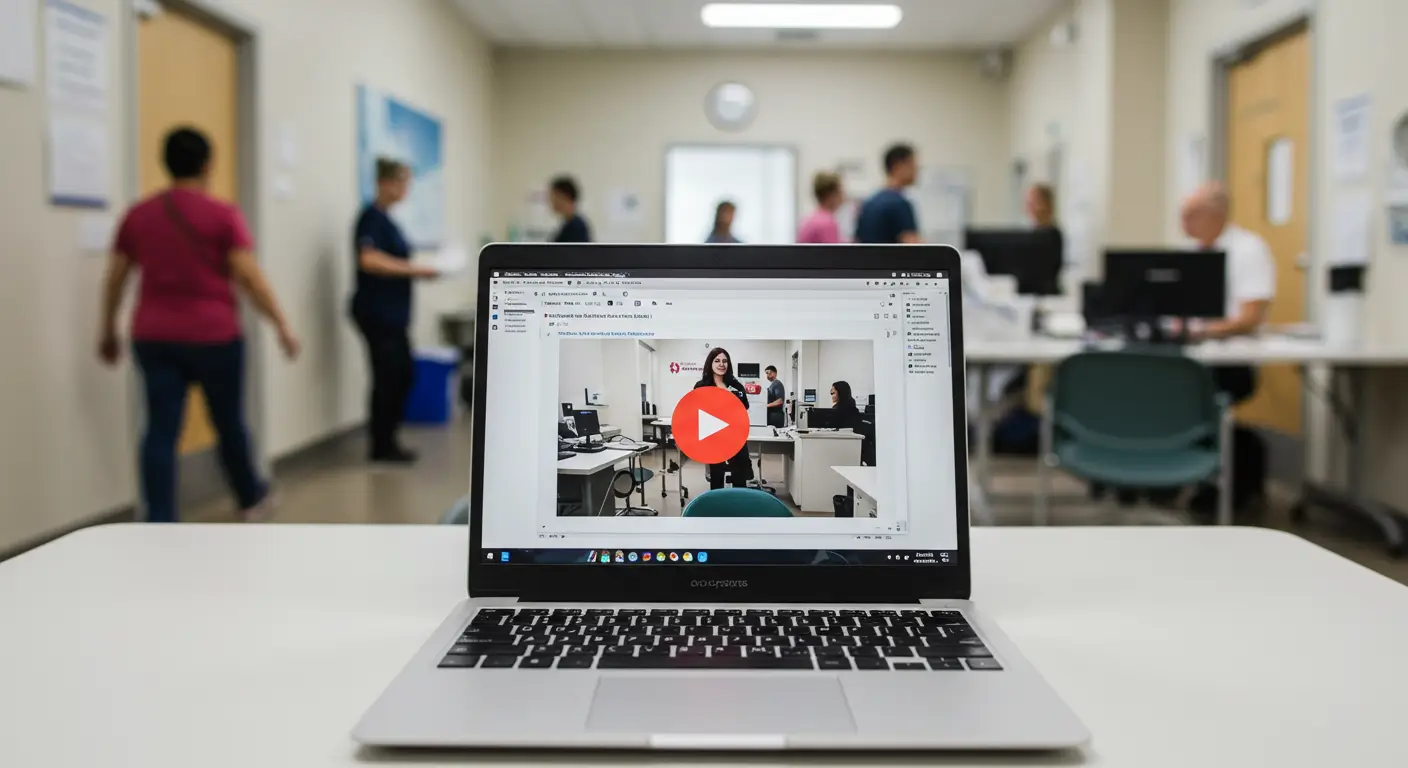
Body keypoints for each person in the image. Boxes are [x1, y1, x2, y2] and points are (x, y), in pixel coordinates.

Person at [98, 126, 299, 523]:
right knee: (228, 422)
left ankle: (159, 519)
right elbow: (249, 276)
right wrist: (281, 325)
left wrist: (106, 329)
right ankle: (250, 498)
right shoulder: (222, 216)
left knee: (159, 430)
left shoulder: (138, 216)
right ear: (208, 164)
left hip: (153, 337)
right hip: (214, 337)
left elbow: (116, 277)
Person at [1179, 181, 1276, 515]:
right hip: (1189, 357)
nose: (1183, 221)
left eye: (1190, 213)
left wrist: (1204, 330)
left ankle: (1229, 485)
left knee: (1202, 404)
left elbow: (1251, 316)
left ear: (1215, 215)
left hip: (1228, 362)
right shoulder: (1189, 253)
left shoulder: (1248, 249)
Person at [351, 158, 440, 464]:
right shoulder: (371, 218)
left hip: (393, 314)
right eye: (400, 182)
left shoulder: (389, 221)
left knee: (402, 375)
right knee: (388, 377)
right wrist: (415, 270)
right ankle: (381, 446)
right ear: (383, 183)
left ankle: (388, 440)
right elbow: (370, 260)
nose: (405, 189)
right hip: (377, 313)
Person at [693, 348, 754, 489]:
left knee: (739, 477)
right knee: (716, 476)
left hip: (735, 436)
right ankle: (718, 507)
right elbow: (695, 411)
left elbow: (744, 407)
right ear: (710, 363)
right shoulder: (701, 386)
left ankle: (738, 506)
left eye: (725, 361)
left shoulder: (735, 385)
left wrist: (731, 396)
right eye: (717, 360)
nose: (721, 364)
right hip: (714, 437)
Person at [855, 143, 921, 244]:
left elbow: (857, 241)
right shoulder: (900, 204)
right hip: (892, 260)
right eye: (912, 166)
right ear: (898, 166)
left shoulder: (867, 203)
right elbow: (914, 247)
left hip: (866, 259)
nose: (917, 170)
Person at [797, 171, 845, 244]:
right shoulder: (826, 223)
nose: (843, 198)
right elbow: (833, 253)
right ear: (831, 195)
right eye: (840, 193)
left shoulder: (809, 219)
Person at [549, 175, 592, 243]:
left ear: (566, 197)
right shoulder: (568, 224)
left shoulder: (576, 226)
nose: (552, 202)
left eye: (555, 197)